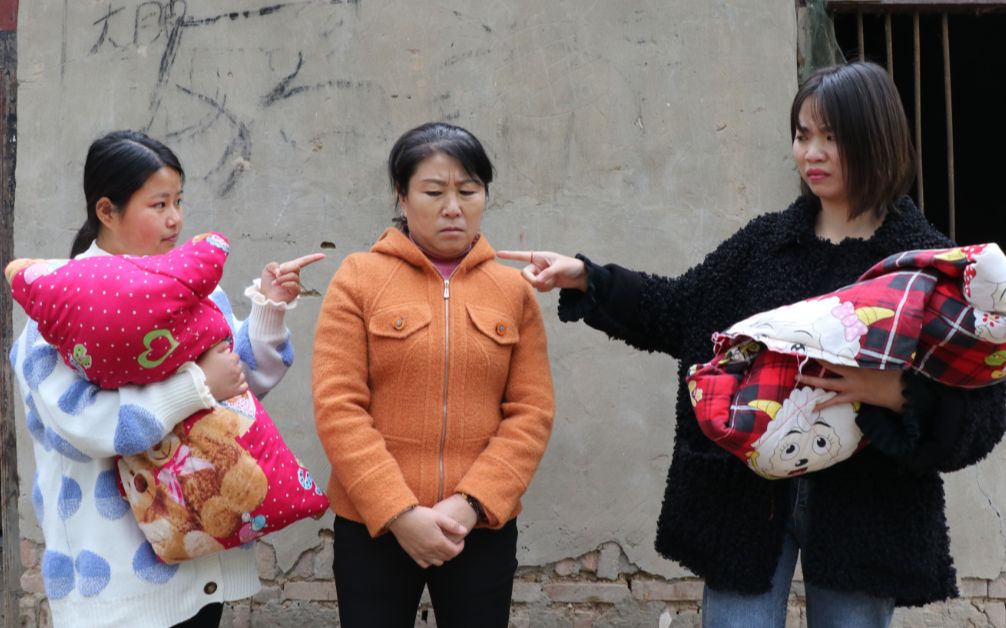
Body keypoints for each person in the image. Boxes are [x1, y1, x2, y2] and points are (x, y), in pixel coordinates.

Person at [498, 62, 1006, 627]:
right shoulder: (767, 244)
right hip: (746, 499)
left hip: (868, 507)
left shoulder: (926, 264)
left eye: (832, 137)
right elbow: (679, 309)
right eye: (802, 135)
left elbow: (984, 402)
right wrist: (588, 279)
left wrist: (893, 392)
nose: (812, 153)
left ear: (876, 138)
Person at [9, 130, 322, 628]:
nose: (175, 218)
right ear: (106, 211)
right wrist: (196, 386)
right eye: (158, 204)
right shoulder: (59, 308)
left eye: (178, 201)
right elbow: (85, 428)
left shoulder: (192, 287)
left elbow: (235, 389)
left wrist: (269, 309)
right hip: (115, 582)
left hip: (199, 560)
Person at [313, 121, 555, 628]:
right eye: (433, 192)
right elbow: (338, 406)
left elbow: (531, 412)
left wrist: (472, 503)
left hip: (478, 529)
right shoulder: (359, 278)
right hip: (375, 527)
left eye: (468, 191)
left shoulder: (512, 291)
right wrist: (399, 513)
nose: (453, 207)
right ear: (402, 197)